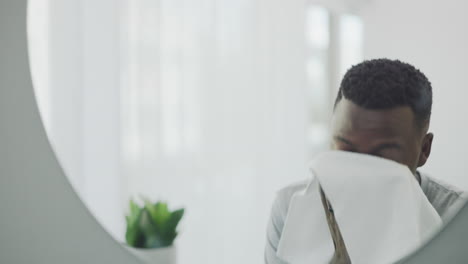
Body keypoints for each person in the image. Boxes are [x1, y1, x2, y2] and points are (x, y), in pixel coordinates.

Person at [264, 59, 467, 264]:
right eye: (347, 150)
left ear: (424, 149)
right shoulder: (291, 211)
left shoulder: (457, 222)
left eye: (381, 157)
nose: (359, 169)